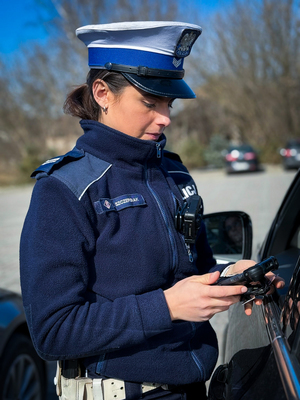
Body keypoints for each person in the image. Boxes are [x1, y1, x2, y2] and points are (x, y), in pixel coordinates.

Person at [19, 21, 284, 400]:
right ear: (102, 93)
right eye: (150, 102)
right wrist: (168, 307)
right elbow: (54, 331)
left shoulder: (173, 172)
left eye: (168, 103)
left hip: (195, 388)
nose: (165, 118)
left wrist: (232, 277)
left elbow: (192, 273)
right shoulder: (64, 190)